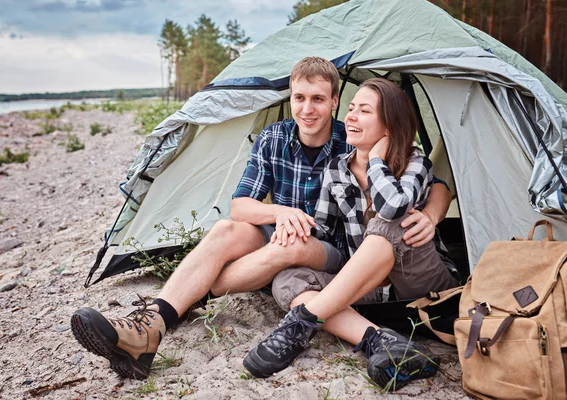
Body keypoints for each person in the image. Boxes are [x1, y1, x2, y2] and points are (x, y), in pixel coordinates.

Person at [70, 58, 451, 380]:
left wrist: (432, 216)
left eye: (319, 99)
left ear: (335, 101)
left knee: (292, 246)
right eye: (299, 98)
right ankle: (153, 323)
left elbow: (432, 186)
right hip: (288, 232)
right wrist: (281, 212)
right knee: (227, 231)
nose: (307, 109)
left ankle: (181, 301)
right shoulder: (279, 140)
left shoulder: (349, 139)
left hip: (333, 248)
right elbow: (241, 206)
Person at [243, 78, 459, 390]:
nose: (351, 117)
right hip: (369, 287)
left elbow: (395, 206)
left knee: (389, 221)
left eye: (365, 111)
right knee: (288, 280)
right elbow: (327, 235)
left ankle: (300, 324)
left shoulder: (415, 162)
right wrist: (289, 237)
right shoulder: (336, 170)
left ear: (389, 126)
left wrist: (374, 162)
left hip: (422, 282)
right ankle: (380, 340)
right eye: (351, 108)